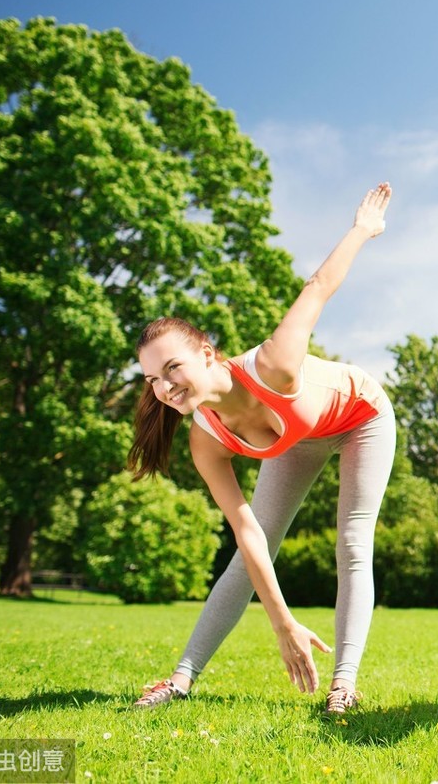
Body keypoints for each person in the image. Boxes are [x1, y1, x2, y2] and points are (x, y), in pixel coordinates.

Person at [128, 183, 396, 716]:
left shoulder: (273, 364)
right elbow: (247, 532)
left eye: (173, 368)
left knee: (351, 543)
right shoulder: (205, 439)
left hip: (361, 417)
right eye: (153, 379)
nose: (164, 387)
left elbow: (319, 287)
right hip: (298, 441)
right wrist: (283, 622)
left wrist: (364, 228)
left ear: (206, 353)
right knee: (249, 551)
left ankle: (343, 687)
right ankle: (180, 679)